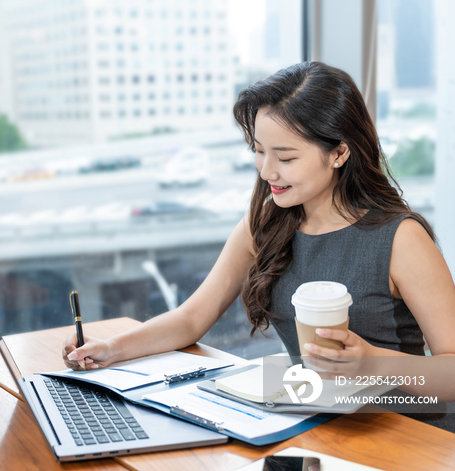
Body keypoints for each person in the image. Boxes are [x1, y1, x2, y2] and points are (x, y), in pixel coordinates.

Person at [62, 62, 455, 431]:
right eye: (259, 150)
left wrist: (372, 362)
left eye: (285, 156)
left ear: (338, 152)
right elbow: (191, 319)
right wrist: (112, 349)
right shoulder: (265, 223)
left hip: (408, 435)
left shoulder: (401, 238)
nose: (267, 171)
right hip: (314, 425)